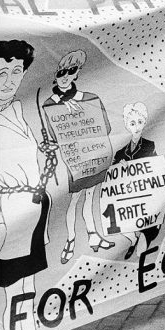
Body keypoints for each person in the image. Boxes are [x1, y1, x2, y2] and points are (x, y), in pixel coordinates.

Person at [0, 40, 55, 330]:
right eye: (2, 72)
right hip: (7, 213)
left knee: (28, 280)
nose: (10, 81)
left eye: (16, 71)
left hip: (33, 208)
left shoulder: (17, 109)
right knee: (12, 284)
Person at [42, 50, 114, 257]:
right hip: (72, 163)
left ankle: (93, 234)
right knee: (74, 200)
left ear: (77, 74)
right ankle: (71, 241)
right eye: (60, 72)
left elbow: (105, 128)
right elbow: (52, 136)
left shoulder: (90, 99)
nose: (64, 76)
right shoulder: (50, 104)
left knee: (91, 196)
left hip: (91, 158)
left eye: (70, 71)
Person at [113, 101, 161, 261]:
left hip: (147, 200)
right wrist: (119, 167)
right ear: (127, 125)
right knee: (120, 226)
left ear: (145, 122)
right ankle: (133, 241)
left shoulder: (149, 145)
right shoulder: (120, 153)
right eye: (132, 123)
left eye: (140, 122)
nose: (137, 127)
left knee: (144, 244)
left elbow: (155, 169)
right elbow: (112, 175)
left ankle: (142, 247)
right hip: (128, 200)